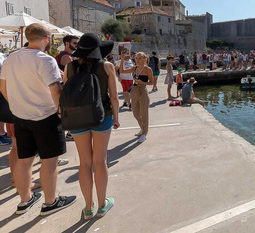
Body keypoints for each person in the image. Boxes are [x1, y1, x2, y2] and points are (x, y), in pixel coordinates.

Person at [0, 23, 77, 215]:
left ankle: (24, 200)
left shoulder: (11, 58)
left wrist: (17, 105)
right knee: (49, 161)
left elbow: (3, 87)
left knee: (24, 159)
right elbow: (55, 90)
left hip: (20, 116)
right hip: (46, 116)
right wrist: (61, 112)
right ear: (46, 39)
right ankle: (50, 203)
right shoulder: (45, 60)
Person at [64, 33, 120, 219]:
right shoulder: (107, 66)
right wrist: (117, 117)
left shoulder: (69, 67)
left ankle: (88, 207)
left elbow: (67, 96)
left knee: (85, 163)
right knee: (100, 161)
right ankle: (102, 204)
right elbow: (113, 97)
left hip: (78, 119)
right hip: (102, 117)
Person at [120, 52, 153, 143]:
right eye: (136, 58)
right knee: (135, 112)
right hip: (134, 90)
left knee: (144, 112)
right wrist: (122, 59)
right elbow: (122, 71)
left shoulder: (147, 69)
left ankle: (144, 133)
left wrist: (142, 82)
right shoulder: (134, 68)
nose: (137, 60)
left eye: (139, 58)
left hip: (143, 90)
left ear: (144, 59)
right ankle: (142, 128)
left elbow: (152, 82)